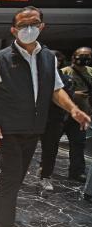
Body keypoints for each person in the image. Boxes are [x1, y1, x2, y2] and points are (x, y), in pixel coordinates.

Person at [0, 6, 90, 227]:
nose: (28, 29)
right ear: (13, 30)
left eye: (33, 23)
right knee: (10, 177)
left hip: (33, 129)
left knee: (16, 178)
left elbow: (55, 90)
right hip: (5, 130)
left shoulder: (48, 57)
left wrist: (73, 109)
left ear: (42, 26)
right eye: (22, 25)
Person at [38, 50, 74, 191]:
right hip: (33, 118)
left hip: (53, 120)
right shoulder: (35, 76)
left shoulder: (65, 80)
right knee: (24, 147)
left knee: (50, 150)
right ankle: (18, 175)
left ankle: (45, 176)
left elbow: (65, 100)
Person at [61, 47, 92, 183]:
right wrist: (74, 94)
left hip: (81, 116)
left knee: (78, 144)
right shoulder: (65, 72)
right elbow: (56, 92)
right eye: (81, 55)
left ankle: (77, 172)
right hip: (63, 114)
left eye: (87, 56)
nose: (84, 58)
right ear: (74, 57)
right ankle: (45, 169)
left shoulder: (90, 73)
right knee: (51, 142)